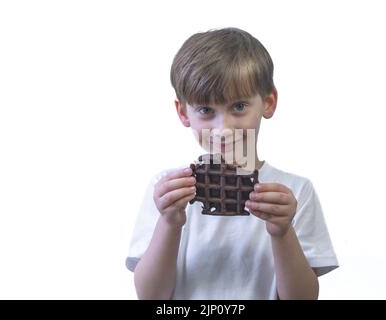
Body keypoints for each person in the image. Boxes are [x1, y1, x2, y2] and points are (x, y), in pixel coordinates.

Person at [126, 27, 338, 300]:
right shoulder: (167, 191)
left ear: (268, 103)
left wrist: (282, 232)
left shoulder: (294, 192)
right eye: (206, 110)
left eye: (238, 106)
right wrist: (169, 222)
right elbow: (151, 297)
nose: (223, 128)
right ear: (183, 112)